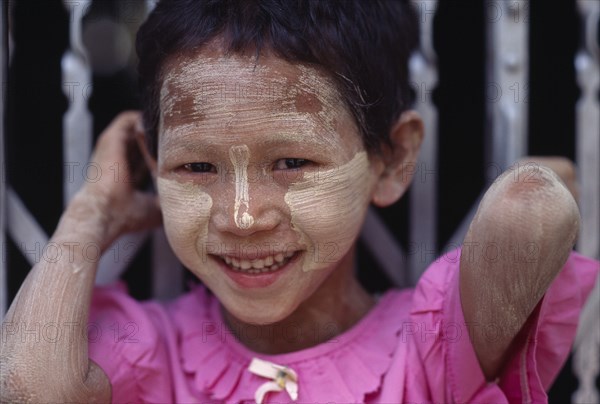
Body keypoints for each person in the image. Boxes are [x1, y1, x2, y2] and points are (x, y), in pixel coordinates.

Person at [1, 1, 598, 402]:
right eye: (196, 166)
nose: (242, 217)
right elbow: (26, 387)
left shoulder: (434, 345)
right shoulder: (146, 348)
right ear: (153, 165)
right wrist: (91, 214)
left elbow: (532, 208)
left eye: (291, 162)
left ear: (392, 158)